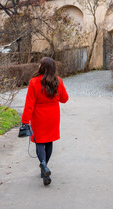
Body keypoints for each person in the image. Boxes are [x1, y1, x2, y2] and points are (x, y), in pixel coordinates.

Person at [21, 57, 69, 186]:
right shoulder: (57, 81)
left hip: (39, 116)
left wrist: (25, 121)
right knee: (49, 142)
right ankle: (44, 167)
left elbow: (29, 104)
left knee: (39, 142)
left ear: (41, 67)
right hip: (53, 116)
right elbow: (64, 99)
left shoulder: (34, 82)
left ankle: (43, 164)